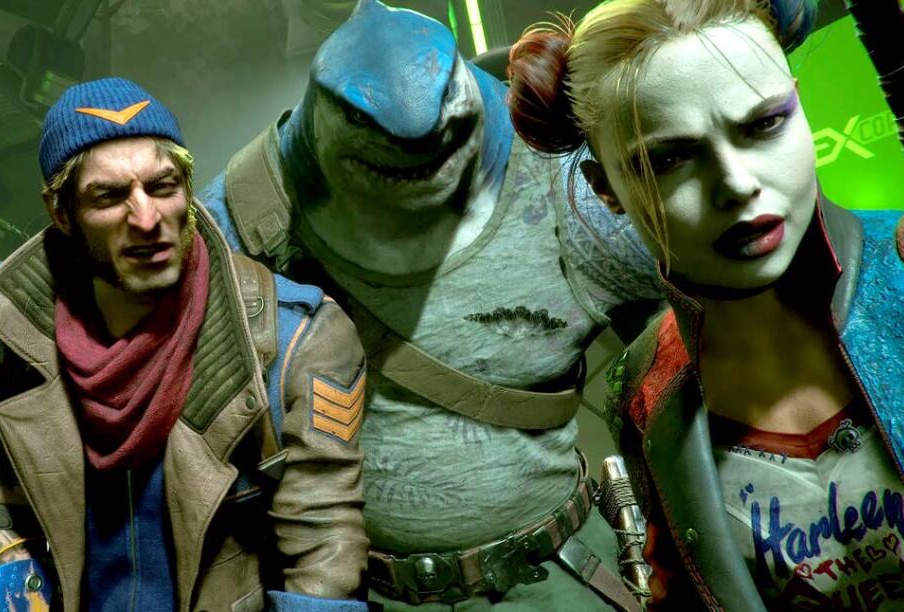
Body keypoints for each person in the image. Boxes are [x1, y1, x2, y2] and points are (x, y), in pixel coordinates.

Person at [199, 2, 662, 609]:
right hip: (362, 587)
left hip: (552, 570)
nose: (421, 141)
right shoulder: (245, 218)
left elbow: (697, 349)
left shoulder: (568, 186)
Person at [508, 0, 904, 609]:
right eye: (669, 159)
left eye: (765, 124)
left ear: (801, 108)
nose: (737, 183)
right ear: (606, 188)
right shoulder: (644, 389)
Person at [0, 77, 370, 611]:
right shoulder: (3, 336)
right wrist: (7, 562)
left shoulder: (295, 336)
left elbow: (325, 539)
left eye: (163, 187)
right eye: (109, 196)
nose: (146, 220)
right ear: (61, 213)